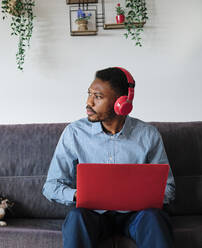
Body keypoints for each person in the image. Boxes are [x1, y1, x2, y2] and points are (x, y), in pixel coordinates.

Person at [42, 67, 176, 248]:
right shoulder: (74, 133)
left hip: (136, 216)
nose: (88, 102)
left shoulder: (148, 135)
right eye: (89, 94)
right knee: (76, 217)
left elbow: (168, 188)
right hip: (93, 216)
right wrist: (77, 194)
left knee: (154, 218)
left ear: (121, 103)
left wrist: (143, 196)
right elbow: (51, 186)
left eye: (98, 96)